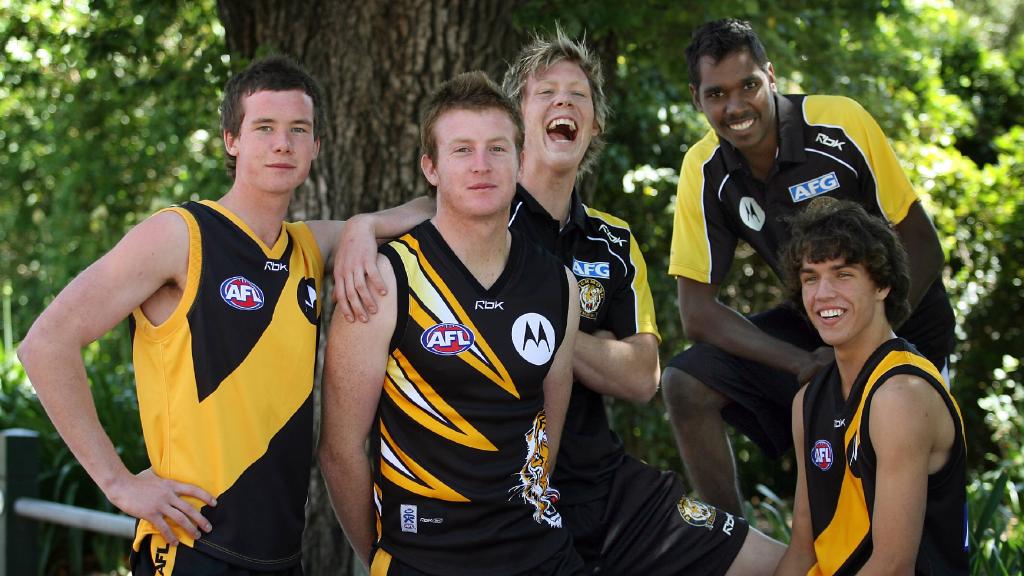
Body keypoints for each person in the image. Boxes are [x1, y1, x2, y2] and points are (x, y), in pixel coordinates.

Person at [333, 28, 784, 576]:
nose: (564, 102)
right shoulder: (477, 206)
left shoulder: (610, 241)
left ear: (595, 124)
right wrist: (363, 226)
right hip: (493, 510)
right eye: (545, 92)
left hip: (601, 485)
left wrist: (541, 324)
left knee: (777, 563)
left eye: (578, 94)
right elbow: (404, 220)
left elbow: (644, 376)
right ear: (517, 119)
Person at [16, 56, 423, 575]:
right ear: (232, 139)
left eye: (299, 130)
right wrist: (118, 483)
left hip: (279, 554)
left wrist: (365, 226)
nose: (283, 143)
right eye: (265, 128)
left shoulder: (304, 248)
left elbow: (427, 210)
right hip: (193, 549)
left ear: (317, 147)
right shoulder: (180, 236)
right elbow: (45, 343)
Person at [662, 18, 956, 515]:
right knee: (684, 383)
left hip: (905, 327)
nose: (735, 107)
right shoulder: (703, 169)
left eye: (749, 85)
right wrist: (802, 362)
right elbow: (697, 313)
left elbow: (924, 246)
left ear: (771, 77)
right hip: (818, 332)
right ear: (697, 98)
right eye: (717, 94)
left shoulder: (839, 123)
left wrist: (871, 345)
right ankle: (733, 550)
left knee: (902, 514)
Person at [318, 70, 582, 575]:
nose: (481, 165)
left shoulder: (557, 284)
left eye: (497, 149)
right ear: (431, 168)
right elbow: (339, 450)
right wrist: (378, 558)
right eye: (461, 150)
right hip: (424, 559)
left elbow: (548, 430)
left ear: (521, 161)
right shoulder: (386, 278)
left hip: (539, 554)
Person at [773, 198, 968, 574]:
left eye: (843, 274)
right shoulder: (807, 401)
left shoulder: (901, 395)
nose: (823, 294)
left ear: (882, 285)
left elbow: (892, 565)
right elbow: (803, 549)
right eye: (811, 278)